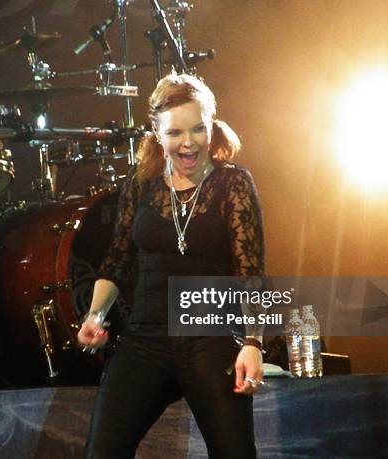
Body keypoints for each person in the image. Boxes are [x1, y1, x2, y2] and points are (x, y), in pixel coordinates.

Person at [77, 73, 265, 458]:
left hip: (211, 337)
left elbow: (251, 271)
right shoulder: (141, 184)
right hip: (146, 338)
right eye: (176, 132)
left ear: (211, 126)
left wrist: (252, 343)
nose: (188, 142)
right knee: (102, 451)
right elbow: (116, 260)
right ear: (157, 133)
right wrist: (95, 315)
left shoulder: (234, 184)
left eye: (198, 129)